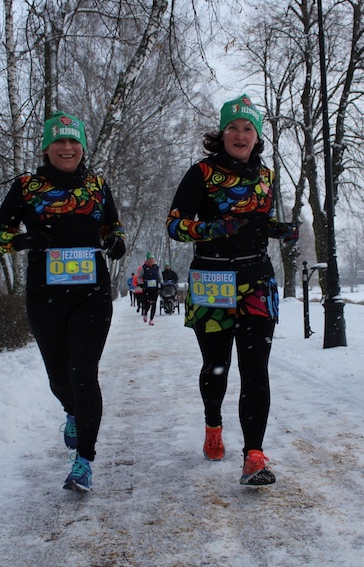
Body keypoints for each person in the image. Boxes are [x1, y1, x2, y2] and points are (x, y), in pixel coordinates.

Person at [0, 111, 125, 493]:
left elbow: (112, 226)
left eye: (73, 141)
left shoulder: (97, 186)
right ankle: (71, 411)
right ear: (46, 148)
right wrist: (24, 240)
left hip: (91, 293)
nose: (67, 147)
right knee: (60, 378)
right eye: (59, 141)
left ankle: (84, 461)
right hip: (45, 294)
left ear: (83, 147)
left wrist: (116, 242)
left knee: (85, 373)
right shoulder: (27, 187)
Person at [165, 94, 298, 486]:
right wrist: (213, 228)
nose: (240, 135)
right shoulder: (201, 173)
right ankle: (213, 425)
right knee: (216, 367)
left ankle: (254, 456)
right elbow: (175, 225)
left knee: (255, 370)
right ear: (222, 134)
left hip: (257, 278)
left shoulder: (266, 176)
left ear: (257, 137)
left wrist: (279, 230)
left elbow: (258, 222)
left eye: (248, 129)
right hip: (212, 279)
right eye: (233, 128)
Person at [136, 252, 162, 325]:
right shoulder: (144, 267)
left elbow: (160, 277)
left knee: (154, 303)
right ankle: (145, 313)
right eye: (150, 259)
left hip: (155, 288)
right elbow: (138, 277)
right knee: (147, 303)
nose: (151, 261)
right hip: (147, 288)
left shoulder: (157, 267)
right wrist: (141, 284)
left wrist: (161, 285)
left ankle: (151, 319)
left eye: (152, 259)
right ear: (147, 260)